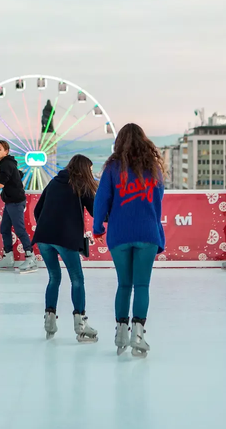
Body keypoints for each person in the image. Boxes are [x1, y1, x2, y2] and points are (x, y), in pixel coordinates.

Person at [93, 123, 165, 357]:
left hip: (119, 234)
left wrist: (97, 227)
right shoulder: (153, 168)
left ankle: (121, 332)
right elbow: (157, 202)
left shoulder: (113, 168)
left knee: (124, 284)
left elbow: (101, 199)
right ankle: (138, 334)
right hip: (147, 232)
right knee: (142, 285)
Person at [32, 155, 99, 343]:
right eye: (91, 170)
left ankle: (50, 321)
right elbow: (96, 212)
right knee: (77, 278)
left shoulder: (54, 182)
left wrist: (48, 227)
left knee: (54, 277)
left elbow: (38, 210)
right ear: (85, 169)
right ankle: (80, 324)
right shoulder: (82, 185)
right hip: (65, 238)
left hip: (44, 237)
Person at [0, 140, 36, 273]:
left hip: (15, 202)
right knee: (4, 228)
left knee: (19, 229)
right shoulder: (10, 163)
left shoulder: (6, 164)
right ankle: (8, 257)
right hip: (11, 201)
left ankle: (30, 256)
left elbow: (1, 183)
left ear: (6, 151)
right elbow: (19, 174)